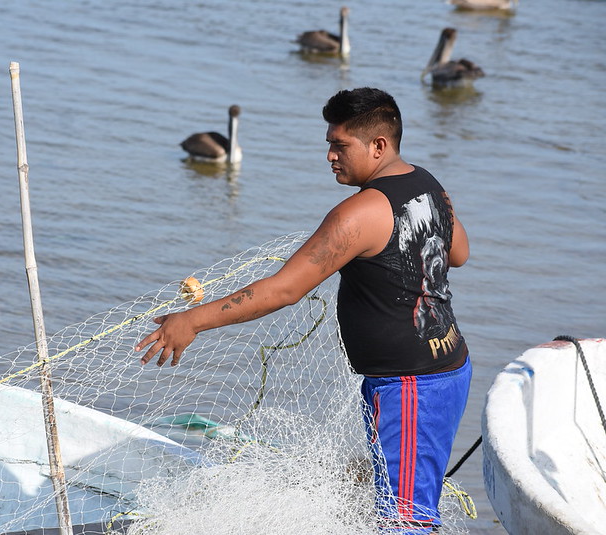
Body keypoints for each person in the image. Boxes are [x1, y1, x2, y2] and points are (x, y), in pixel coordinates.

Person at [136, 87, 471, 532]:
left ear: (378, 145)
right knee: (404, 502)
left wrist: (192, 320)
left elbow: (284, 290)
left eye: (340, 145)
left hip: (411, 387)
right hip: (449, 365)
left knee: (405, 520)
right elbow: (459, 252)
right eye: (329, 143)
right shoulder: (428, 183)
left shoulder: (356, 215)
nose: (330, 155)